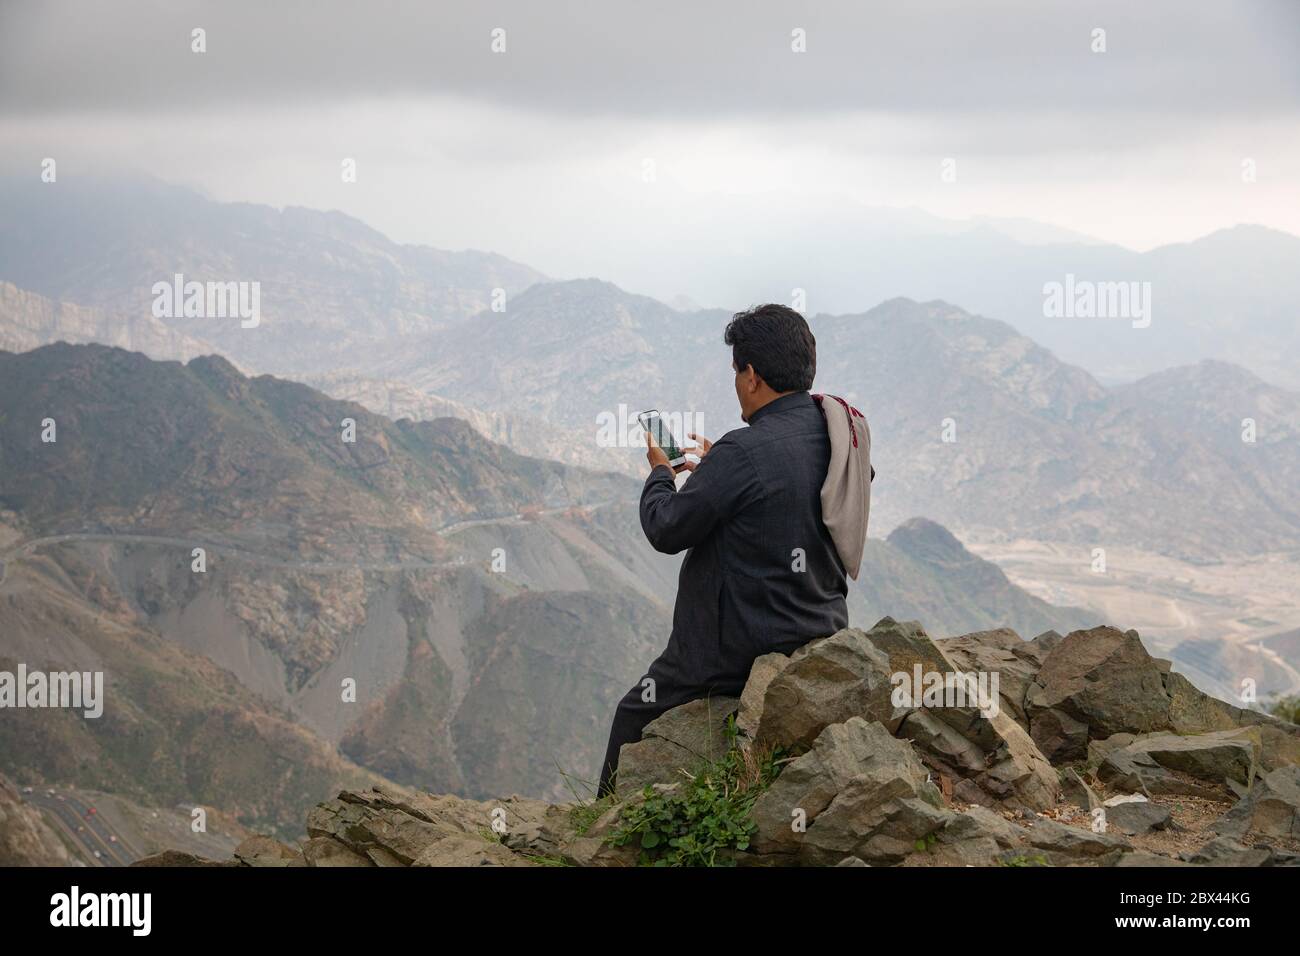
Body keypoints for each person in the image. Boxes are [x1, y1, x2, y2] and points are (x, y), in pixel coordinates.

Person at [596, 303, 872, 797]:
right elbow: (790, 497)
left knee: (631, 714)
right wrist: (719, 479)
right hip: (820, 622)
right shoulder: (838, 429)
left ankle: (596, 832)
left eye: (735, 370)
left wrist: (661, 472)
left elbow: (666, 529)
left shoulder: (742, 451)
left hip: (736, 645)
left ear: (751, 376)